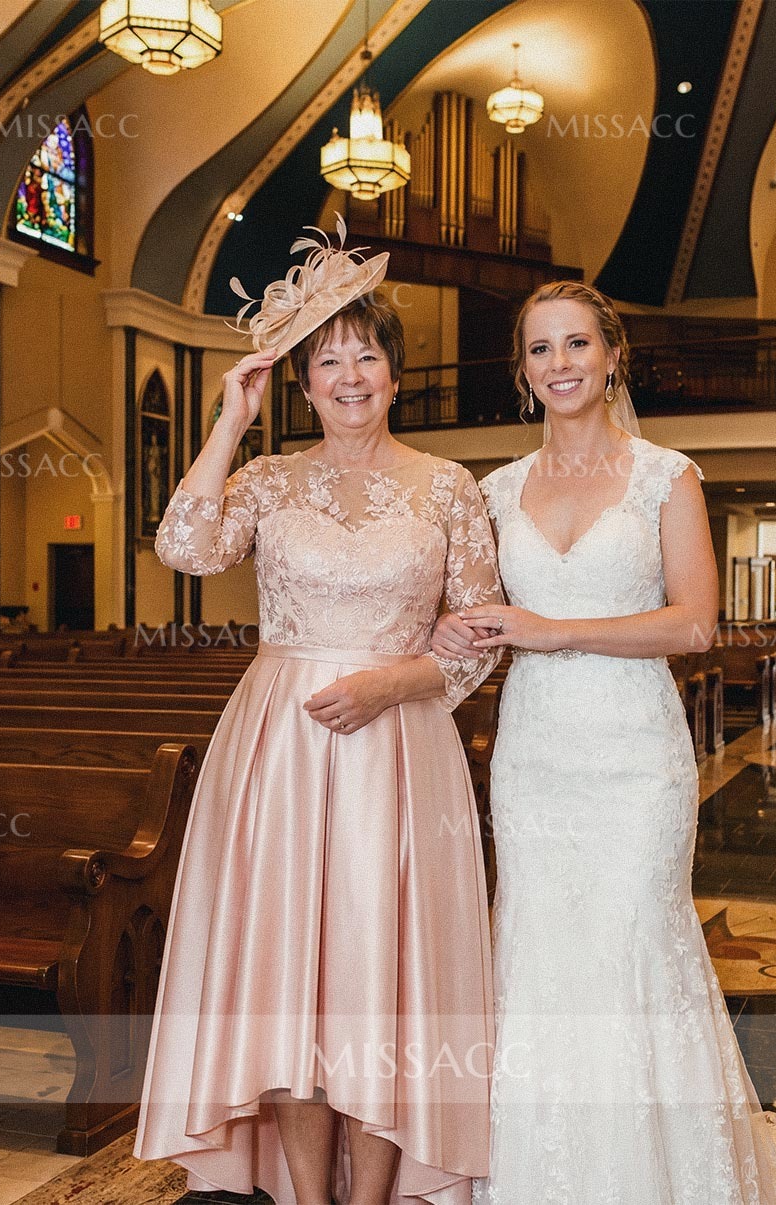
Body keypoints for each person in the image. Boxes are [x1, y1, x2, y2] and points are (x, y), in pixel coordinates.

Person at [431, 280, 776, 1203]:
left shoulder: (668, 476)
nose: (560, 363)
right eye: (540, 348)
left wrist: (552, 630)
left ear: (612, 354)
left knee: (633, 941)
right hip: (536, 756)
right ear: (522, 369)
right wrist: (441, 632)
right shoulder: (493, 490)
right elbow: (474, 613)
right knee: (541, 947)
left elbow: (695, 623)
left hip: (635, 754)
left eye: (576, 343)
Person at [134, 219, 503, 1205]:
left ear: (395, 374)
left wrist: (394, 681)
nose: (350, 376)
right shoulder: (266, 478)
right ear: (302, 382)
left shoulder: (448, 488)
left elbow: (481, 637)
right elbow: (184, 546)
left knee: (377, 977)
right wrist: (230, 418)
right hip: (281, 748)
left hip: (399, 748)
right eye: (329, 360)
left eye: (367, 356)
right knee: (290, 980)